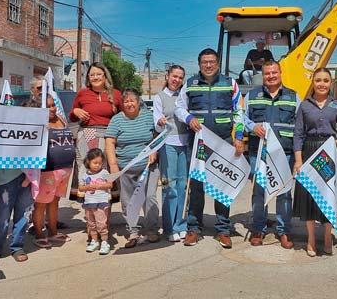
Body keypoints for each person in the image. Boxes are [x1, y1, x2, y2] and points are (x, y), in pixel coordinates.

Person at [175, 48, 245, 248]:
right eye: (204, 62)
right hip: (198, 142)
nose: (208, 65)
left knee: (222, 186)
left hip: (224, 142)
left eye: (212, 61)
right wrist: (188, 118)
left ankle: (223, 229)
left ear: (218, 63)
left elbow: (239, 111)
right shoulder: (189, 84)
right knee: (196, 186)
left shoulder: (230, 83)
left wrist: (239, 136)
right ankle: (194, 228)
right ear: (199, 64)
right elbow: (179, 107)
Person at [293, 67, 337, 257]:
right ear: (313, 82)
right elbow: (298, 135)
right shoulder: (304, 105)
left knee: (329, 195)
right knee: (310, 196)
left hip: (331, 153)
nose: (322, 84)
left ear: (330, 83)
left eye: (326, 80)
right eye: (318, 80)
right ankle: (310, 238)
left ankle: (327, 236)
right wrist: (298, 161)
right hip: (310, 151)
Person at [243, 60, 299, 249]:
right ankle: (258, 228)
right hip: (258, 152)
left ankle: (284, 231)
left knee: (284, 192)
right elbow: (240, 117)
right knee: (259, 191)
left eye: (274, 72)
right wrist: (252, 126)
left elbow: (300, 126)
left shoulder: (293, 96)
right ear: (262, 75)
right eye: (267, 73)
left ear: (281, 73)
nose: (271, 76)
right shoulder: (252, 95)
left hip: (285, 153)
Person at [105, 88, 160, 248]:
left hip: (148, 166)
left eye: (132, 101)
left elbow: (157, 135)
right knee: (128, 201)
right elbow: (110, 142)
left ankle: (152, 229)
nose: (129, 104)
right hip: (125, 167)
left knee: (149, 197)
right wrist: (114, 166)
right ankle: (133, 231)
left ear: (138, 102)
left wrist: (154, 150)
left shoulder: (149, 116)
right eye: (126, 101)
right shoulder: (116, 120)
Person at [31, 94, 74, 249]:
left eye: (53, 105)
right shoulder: (37, 123)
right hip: (47, 170)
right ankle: (39, 234)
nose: (52, 109)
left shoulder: (61, 119)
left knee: (55, 201)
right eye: (47, 106)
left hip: (64, 168)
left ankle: (53, 232)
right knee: (41, 203)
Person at [153, 65, 190, 242]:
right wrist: (160, 121)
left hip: (185, 144)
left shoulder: (185, 96)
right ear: (167, 76)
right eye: (174, 76)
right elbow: (156, 124)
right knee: (170, 186)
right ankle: (170, 227)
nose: (177, 80)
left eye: (180, 77)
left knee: (183, 185)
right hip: (167, 145)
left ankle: (182, 224)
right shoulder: (159, 97)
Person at [70, 62, 122, 172]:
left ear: (105, 76)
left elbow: (123, 117)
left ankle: (103, 190)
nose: (95, 77)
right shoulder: (82, 94)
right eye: (92, 75)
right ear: (88, 78)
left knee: (104, 169)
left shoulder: (116, 94)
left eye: (98, 74)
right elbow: (72, 118)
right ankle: (85, 189)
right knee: (84, 169)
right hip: (85, 135)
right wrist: (75, 111)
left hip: (108, 136)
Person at [78, 148, 113, 255]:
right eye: (95, 162)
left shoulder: (104, 172)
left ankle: (105, 242)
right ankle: (94, 241)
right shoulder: (85, 174)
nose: (97, 165)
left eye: (100, 163)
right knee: (91, 224)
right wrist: (88, 186)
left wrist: (100, 185)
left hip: (101, 202)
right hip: (89, 203)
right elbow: (80, 187)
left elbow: (110, 184)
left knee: (101, 223)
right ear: (88, 161)